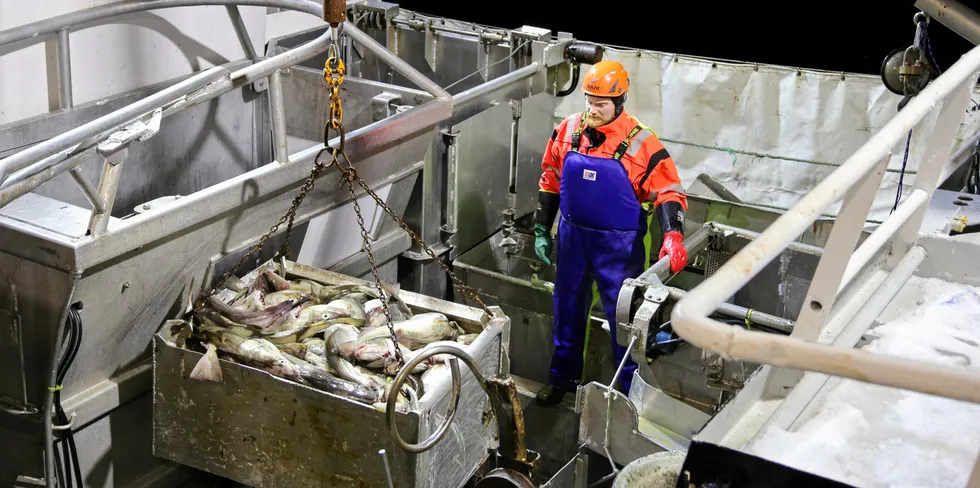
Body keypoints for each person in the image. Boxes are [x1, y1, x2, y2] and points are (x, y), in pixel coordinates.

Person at [532, 59, 689, 407]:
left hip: (620, 249)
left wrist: (672, 235)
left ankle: (625, 396)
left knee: (625, 322)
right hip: (572, 241)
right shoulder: (568, 129)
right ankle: (564, 380)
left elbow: (669, 192)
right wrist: (542, 227)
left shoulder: (641, 141)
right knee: (567, 311)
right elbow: (550, 178)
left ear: (619, 103)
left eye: (600, 104)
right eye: (588, 100)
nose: (592, 110)